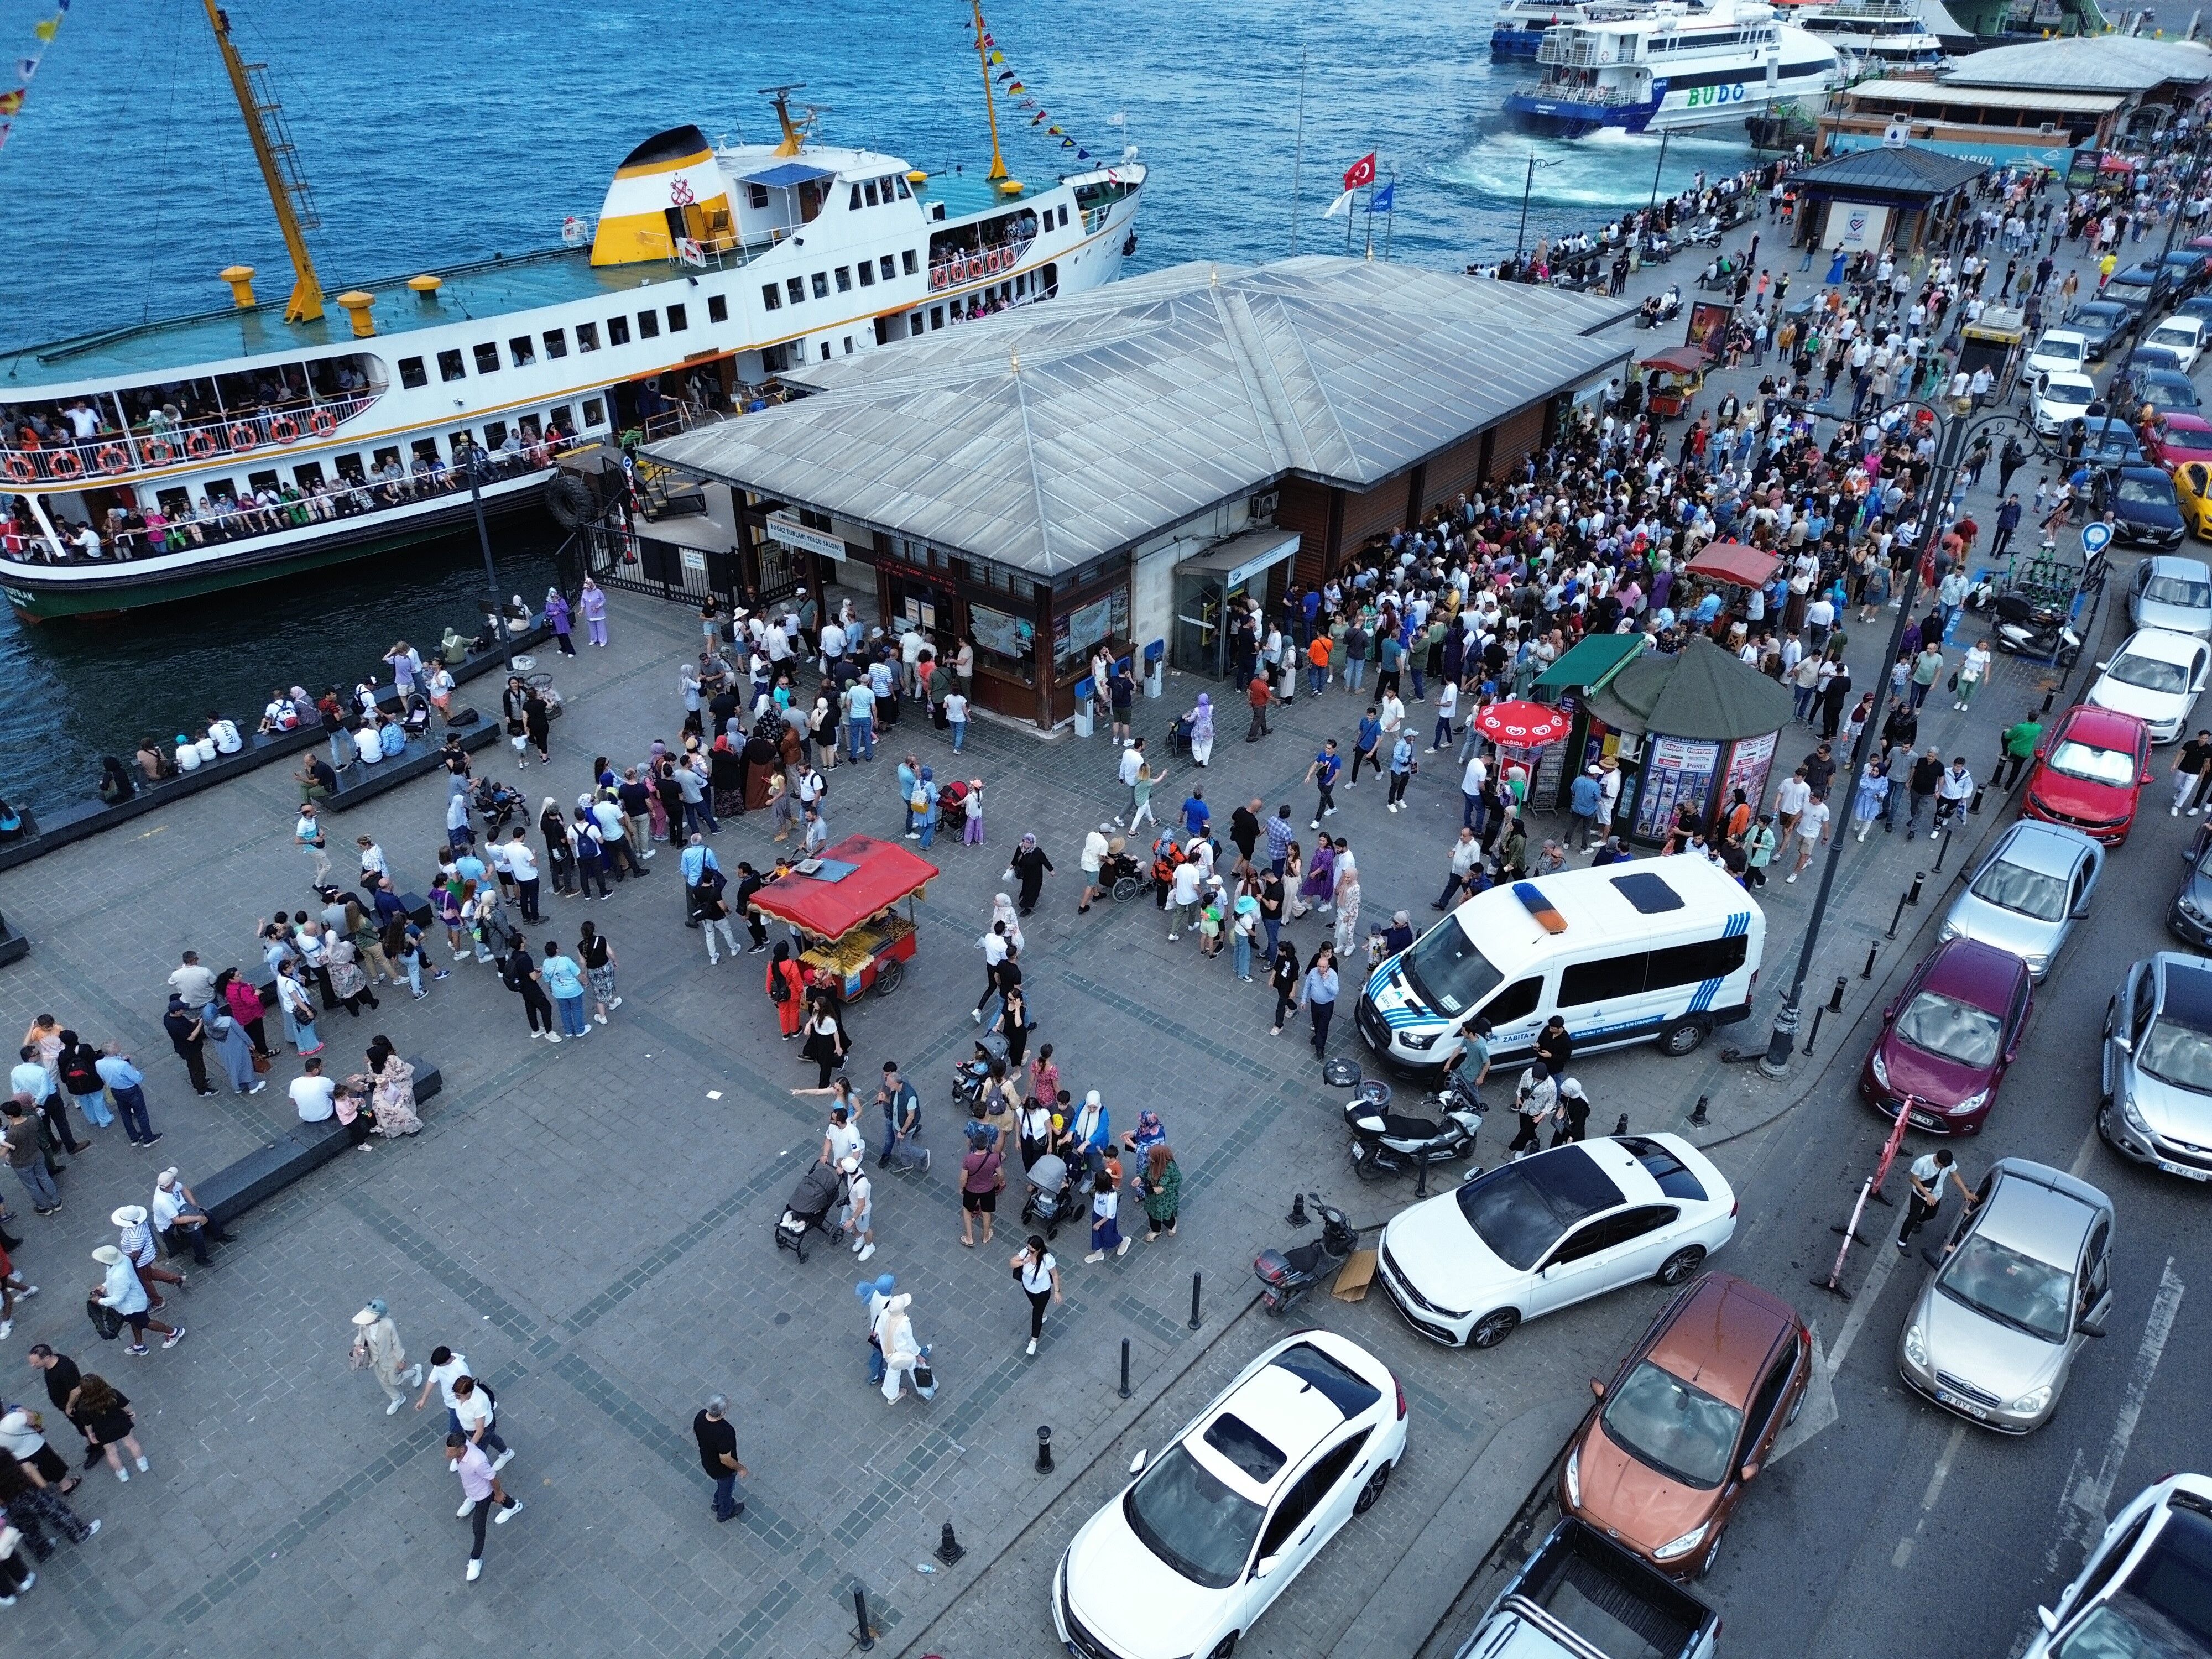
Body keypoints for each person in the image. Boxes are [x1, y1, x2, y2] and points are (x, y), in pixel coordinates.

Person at [445, 1433, 522, 1581]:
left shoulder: (477, 1462)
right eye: (448, 1450)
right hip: (475, 1491)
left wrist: (499, 1494)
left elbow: (493, 1478)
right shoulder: (462, 1452)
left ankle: (475, 1560)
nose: (447, 1454)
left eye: (451, 1451)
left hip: (482, 1495)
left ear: (461, 1450)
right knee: (495, 1498)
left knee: (478, 1528)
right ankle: (513, 1506)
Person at [89, 1244, 182, 1355]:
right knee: (134, 1322)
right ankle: (139, 1345)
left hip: (132, 1306)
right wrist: (104, 1286)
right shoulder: (124, 1259)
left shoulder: (119, 1276)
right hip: (133, 1302)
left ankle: (173, 1332)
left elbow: (117, 1299)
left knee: (145, 1323)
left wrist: (99, 1301)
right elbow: (115, 1282)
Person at [67, 1375, 147, 1484]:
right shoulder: (111, 1393)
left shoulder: (83, 1406)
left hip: (103, 1431)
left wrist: (91, 1435)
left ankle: (122, 1473)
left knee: (112, 1453)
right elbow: (125, 1405)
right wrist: (130, 1412)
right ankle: (142, 1463)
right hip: (120, 1423)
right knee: (131, 1443)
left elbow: (88, 1423)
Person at [351, 1298, 425, 1415]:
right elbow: (361, 1336)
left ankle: (415, 1372)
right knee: (383, 1381)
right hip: (375, 1359)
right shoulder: (364, 1325)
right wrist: (358, 1346)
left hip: (391, 1359)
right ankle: (397, 1398)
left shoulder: (388, 1325)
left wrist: (401, 1360)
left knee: (395, 1380)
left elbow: (396, 1343)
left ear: (377, 1317)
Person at [1898, 1146, 1975, 1252]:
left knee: (1931, 1215)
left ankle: (1919, 1221)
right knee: (1912, 1217)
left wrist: (1965, 1192)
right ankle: (1901, 1242)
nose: (1943, 1169)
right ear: (1937, 1160)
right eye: (1942, 1167)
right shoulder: (1922, 1163)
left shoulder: (1949, 1163)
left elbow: (1955, 1175)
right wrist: (1927, 1195)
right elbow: (1913, 1179)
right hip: (1919, 1195)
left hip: (1936, 1195)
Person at [692, 1395, 748, 1522]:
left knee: (722, 1485)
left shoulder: (701, 1416)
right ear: (723, 1412)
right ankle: (725, 1512)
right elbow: (726, 1460)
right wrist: (741, 1469)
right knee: (727, 1487)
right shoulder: (725, 1431)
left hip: (707, 1461)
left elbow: (696, 1432)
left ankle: (717, 1502)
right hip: (722, 1469)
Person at [1011, 1235, 1063, 1357]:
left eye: (1032, 1251)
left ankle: (1034, 1341)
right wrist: (1024, 1261)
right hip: (1028, 1288)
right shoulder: (1026, 1252)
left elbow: (1055, 1275)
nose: (1029, 1252)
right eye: (1028, 1249)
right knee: (1037, 1307)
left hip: (1042, 1292)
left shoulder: (1047, 1259)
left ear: (1039, 1250)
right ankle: (1043, 1314)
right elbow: (1012, 1263)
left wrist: (1057, 1291)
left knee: (1037, 1313)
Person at [959, 1131, 1003, 1248]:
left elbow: (964, 1178)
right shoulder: (994, 1158)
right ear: (987, 1143)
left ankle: (969, 1238)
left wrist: (962, 1187)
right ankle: (985, 1236)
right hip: (988, 1190)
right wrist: (1001, 1181)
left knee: (967, 1211)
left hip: (971, 1189)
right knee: (986, 1213)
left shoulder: (968, 1159)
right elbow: (1000, 1174)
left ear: (974, 1143)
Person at [1136, 1142, 1181, 1241]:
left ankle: (1172, 1225)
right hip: (1152, 1197)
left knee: (1167, 1217)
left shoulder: (1171, 1168)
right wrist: (1140, 1177)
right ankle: (1156, 1230)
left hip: (1166, 1200)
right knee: (1152, 1214)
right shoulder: (1153, 1163)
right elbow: (1146, 1170)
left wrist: (1163, 1189)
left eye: (1152, 1157)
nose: (1149, 1158)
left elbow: (1178, 1182)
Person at [1303, 945, 1339, 1061]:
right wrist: (1303, 999)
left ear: (1328, 966)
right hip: (1315, 1003)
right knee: (1316, 1023)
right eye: (1319, 966)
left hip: (1327, 1005)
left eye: (1323, 967)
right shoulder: (1313, 972)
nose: (1321, 969)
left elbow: (1335, 991)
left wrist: (1326, 982)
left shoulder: (1333, 975)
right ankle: (1317, 1037)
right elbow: (1307, 986)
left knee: (1323, 1027)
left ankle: (1320, 1048)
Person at [1084, 1166, 1128, 1262]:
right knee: (1096, 1233)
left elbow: (1110, 1215)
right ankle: (1098, 1252)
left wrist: (1099, 1223)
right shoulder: (1100, 1190)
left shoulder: (1111, 1197)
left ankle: (1122, 1240)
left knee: (1108, 1235)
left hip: (1106, 1219)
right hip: (1097, 1213)